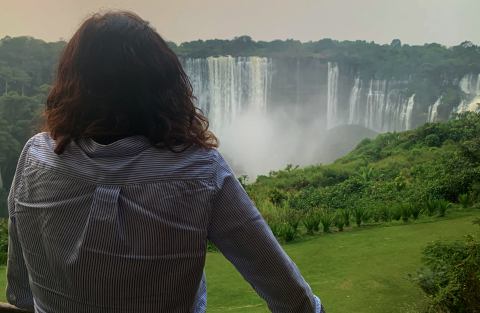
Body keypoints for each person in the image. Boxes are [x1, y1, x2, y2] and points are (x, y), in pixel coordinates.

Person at [6, 10, 324, 313]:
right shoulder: (200, 170)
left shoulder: (36, 158)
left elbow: (21, 292)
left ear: (72, 83)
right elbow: (289, 295)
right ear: (166, 85)